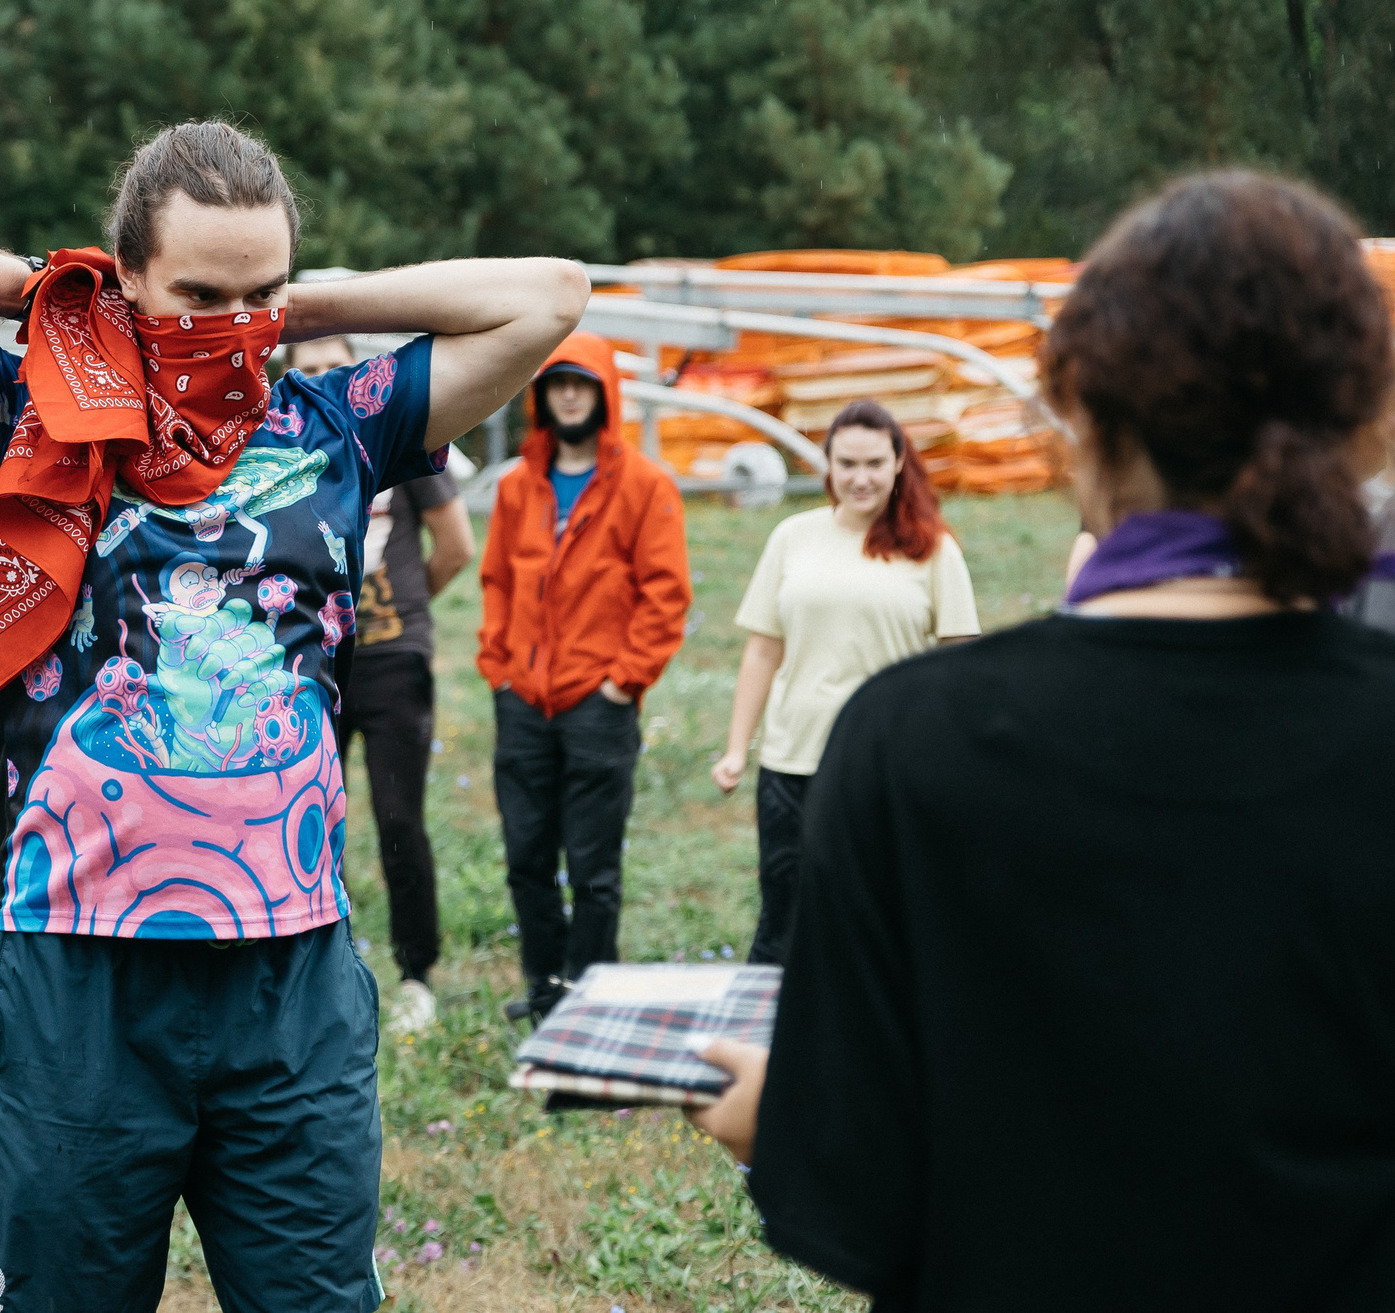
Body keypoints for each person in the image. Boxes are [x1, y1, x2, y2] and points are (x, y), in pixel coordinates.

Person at [0, 121, 587, 1313]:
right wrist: (51, 293)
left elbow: (548, 296)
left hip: (291, 979)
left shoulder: (340, 424)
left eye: (257, 291)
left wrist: (307, 309)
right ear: (130, 280)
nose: (232, 324)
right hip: (79, 970)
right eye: (200, 293)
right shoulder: (27, 407)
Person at [687, 169, 1395, 1307]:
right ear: (1359, 426)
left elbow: (853, 1203)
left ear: (1089, 423)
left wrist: (777, 1119)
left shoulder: (911, 741)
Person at [712, 399, 977, 964]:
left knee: (878, 917)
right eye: (847, 464)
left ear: (899, 462)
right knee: (784, 915)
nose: (860, 478)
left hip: (886, 765)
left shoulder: (933, 549)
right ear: (826, 466)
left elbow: (959, 666)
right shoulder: (792, 537)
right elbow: (763, 649)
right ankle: (775, 1043)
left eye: (874, 464)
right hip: (793, 760)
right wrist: (738, 749)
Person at [477, 333, 690, 1021]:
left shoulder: (644, 486)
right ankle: (546, 992)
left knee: (594, 869)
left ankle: (592, 997)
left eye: (582, 383)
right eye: (557, 384)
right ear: (540, 397)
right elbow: (498, 582)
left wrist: (622, 683)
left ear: (604, 394)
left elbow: (666, 596)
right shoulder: (517, 486)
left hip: (598, 703)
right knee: (526, 860)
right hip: (523, 701)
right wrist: (499, 669)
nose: (569, 395)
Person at [284, 333, 476, 1036]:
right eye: (304, 369)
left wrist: (400, 611)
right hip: (311, 661)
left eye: (331, 366)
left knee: (399, 817)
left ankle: (414, 974)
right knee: (301, 818)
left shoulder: (396, 442)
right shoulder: (281, 442)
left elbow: (456, 546)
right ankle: (312, 966)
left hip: (393, 659)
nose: (318, 379)